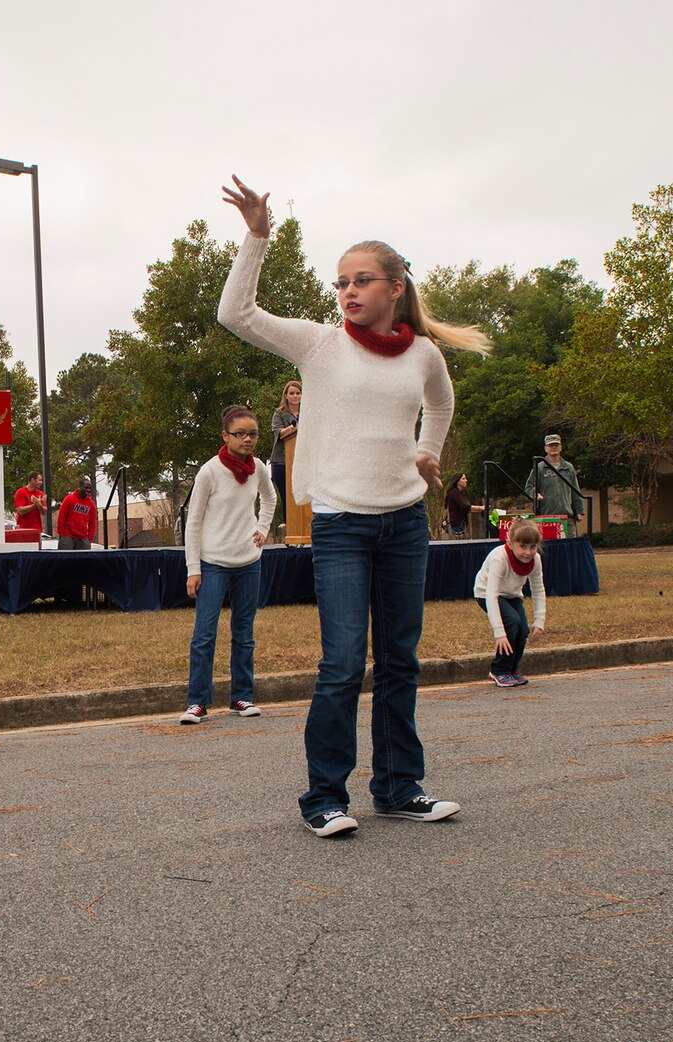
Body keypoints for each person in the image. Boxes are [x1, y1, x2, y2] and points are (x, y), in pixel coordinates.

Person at [217, 174, 488, 838]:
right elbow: (236, 314)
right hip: (341, 522)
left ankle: (398, 786)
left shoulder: (422, 353)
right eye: (341, 282)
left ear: (395, 288)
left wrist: (429, 451)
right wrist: (257, 237)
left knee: (400, 658)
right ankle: (324, 797)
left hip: (403, 523)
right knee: (342, 661)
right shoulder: (320, 344)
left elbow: (442, 402)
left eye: (361, 279)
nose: (348, 291)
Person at [179, 405, 278, 725]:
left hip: (249, 561)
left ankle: (242, 697)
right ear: (225, 436)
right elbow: (193, 522)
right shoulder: (209, 472)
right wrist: (193, 568)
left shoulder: (260, 468)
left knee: (244, 633)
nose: (248, 440)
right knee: (204, 634)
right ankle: (197, 702)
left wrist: (262, 529)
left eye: (253, 434)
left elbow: (270, 498)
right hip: (213, 563)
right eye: (241, 434)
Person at [472, 518, 546, 688]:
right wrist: (499, 632)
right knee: (512, 622)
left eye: (532, 547)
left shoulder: (535, 560)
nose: (528, 552)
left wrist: (539, 622)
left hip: (512, 594)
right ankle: (499, 670)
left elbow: (538, 589)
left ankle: (512, 669)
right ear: (510, 543)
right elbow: (491, 594)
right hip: (486, 593)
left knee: (523, 630)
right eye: (523, 546)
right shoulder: (500, 558)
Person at [523, 434, 584, 523]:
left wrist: (580, 511)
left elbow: (576, 491)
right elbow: (529, 488)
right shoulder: (539, 468)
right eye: (550, 445)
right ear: (545, 448)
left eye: (556, 445)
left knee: (571, 537)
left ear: (561, 447)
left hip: (567, 517)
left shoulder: (568, 468)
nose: (553, 447)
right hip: (546, 517)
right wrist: (535, 494)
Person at [270, 380, 301, 504]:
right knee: (286, 499)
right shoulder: (279, 413)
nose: (295, 396)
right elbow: (278, 433)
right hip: (281, 461)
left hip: (303, 461)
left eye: (298, 393)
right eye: (292, 393)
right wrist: (293, 428)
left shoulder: (309, 411)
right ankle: (287, 523)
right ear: (286, 396)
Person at [57, 475, 99, 550]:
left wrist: (90, 538)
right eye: (86, 488)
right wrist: (62, 533)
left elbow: (92, 522)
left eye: (89, 488)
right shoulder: (69, 499)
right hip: (67, 535)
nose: (88, 490)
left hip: (83, 537)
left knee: (82, 561)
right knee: (66, 560)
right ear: (79, 487)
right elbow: (62, 516)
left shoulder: (91, 504)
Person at [444, 473, 473, 538]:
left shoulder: (458, 493)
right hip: (457, 526)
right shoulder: (455, 492)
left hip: (458, 525)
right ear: (457, 481)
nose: (466, 480)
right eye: (463, 479)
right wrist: (480, 508)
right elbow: (464, 507)